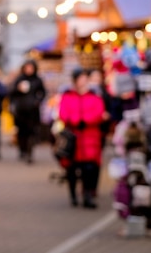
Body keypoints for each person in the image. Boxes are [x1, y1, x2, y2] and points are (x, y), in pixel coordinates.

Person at [58, 68, 106, 209]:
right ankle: (73, 194)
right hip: (73, 139)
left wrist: (86, 120)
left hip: (90, 138)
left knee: (89, 169)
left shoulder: (95, 96)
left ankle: (87, 195)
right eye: (81, 78)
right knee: (71, 169)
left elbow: (99, 112)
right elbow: (63, 112)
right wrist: (75, 121)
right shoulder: (67, 96)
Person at [9, 59, 46, 163]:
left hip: (33, 111)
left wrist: (38, 101)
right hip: (21, 110)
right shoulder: (19, 79)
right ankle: (22, 150)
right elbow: (11, 92)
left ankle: (30, 152)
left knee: (32, 132)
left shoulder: (37, 80)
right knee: (22, 132)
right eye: (27, 68)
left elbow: (43, 92)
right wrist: (18, 89)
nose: (29, 70)